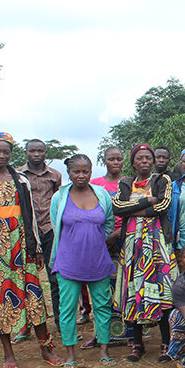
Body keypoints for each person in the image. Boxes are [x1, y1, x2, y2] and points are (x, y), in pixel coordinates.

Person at [0, 132, 63, 368]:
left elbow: (29, 215)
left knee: (33, 296)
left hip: (21, 246)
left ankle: (46, 347)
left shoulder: (20, 179)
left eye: (6, 151)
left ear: (11, 153)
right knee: (0, 299)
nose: (1, 155)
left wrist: (37, 247)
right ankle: (8, 353)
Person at [49, 154, 116, 368]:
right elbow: (56, 225)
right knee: (67, 309)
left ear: (90, 171)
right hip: (69, 262)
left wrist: (93, 240)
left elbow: (108, 224)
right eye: (76, 171)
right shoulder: (59, 198)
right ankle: (70, 354)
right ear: (69, 172)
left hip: (98, 260)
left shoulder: (102, 195)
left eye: (85, 171)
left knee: (103, 306)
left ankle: (105, 351)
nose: (81, 175)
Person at [112, 143, 175, 363]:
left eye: (148, 157)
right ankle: (137, 344)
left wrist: (133, 208)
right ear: (133, 162)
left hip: (157, 244)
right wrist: (147, 201)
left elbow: (164, 205)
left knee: (162, 291)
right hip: (131, 245)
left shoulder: (162, 180)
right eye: (139, 158)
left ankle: (166, 343)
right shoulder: (125, 182)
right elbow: (117, 207)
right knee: (134, 289)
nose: (145, 161)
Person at [80, 145, 125, 348]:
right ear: (104, 161)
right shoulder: (95, 185)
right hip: (99, 243)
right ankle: (101, 334)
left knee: (124, 287)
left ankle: (128, 334)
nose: (115, 162)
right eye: (111, 159)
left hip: (125, 240)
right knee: (100, 289)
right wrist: (104, 238)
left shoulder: (130, 183)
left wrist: (117, 235)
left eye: (119, 159)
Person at [18, 138, 62, 340]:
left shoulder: (55, 175)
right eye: (32, 151)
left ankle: (61, 323)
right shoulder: (18, 175)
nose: (36, 154)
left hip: (50, 230)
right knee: (24, 278)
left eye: (40, 151)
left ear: (46, 153)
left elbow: (58, 202)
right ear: (26, 153)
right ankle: (24, 325)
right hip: (26, 232)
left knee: (55, 278)